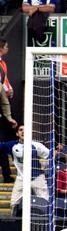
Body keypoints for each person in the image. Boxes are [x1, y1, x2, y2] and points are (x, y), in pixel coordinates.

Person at [0, 125, 49, 213]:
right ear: (17, 133)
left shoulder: (37, 145)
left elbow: (50, 155)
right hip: (21, 178)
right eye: (20, 130)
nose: (23, 132)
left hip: (37, 178)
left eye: (25, 130)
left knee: (45, 204)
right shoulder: (12, 145)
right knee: (14, 205)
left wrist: (45, 166)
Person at [0, 39, 17, 183]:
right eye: (6, 47)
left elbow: (3, 81)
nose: (8, 48)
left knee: (2, 144)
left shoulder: (3, 64)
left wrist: (8, 88)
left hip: (2, 110)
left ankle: (6, 174)